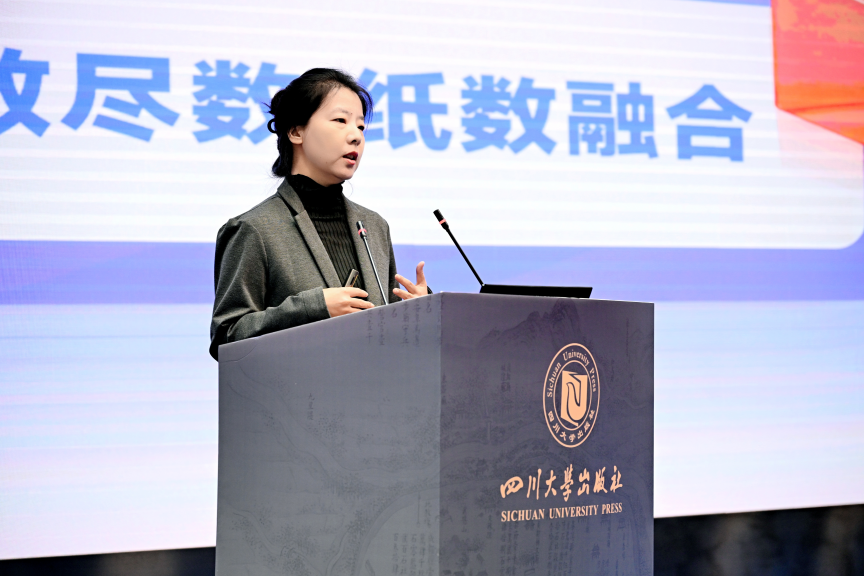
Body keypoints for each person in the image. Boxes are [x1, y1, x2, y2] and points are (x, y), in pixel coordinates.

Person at [209, 68, 429, 360]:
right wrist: (313, 308)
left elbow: (383, 329)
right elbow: (227, 336)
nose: (356, 136)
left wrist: (418, 312)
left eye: (361, 126)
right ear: (296, 131)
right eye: (340, 121)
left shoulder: (374, 226)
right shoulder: (254, 229)